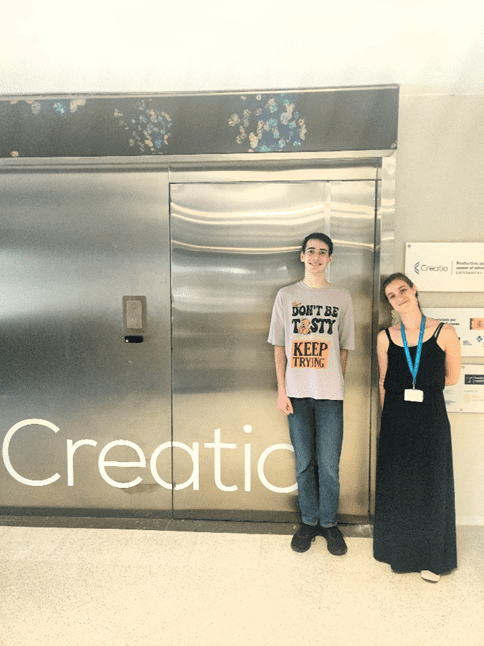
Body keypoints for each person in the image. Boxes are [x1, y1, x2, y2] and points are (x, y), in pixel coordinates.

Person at [268, 233, 355, 555]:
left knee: (329, 466)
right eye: (311, 251)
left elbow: (343, 347)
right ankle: (308, 521)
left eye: (323, 252)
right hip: (297, 395)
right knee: (304, 463)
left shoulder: (342, 297)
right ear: (302, 256)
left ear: (329, 258)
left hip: (331, 397)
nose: (316, 257)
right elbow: (279, 346)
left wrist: (336, 383)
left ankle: (329, 523)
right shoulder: (286, 295)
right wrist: (282, 390)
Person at [373, 272, 461, 583]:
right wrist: (387, 420)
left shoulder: (445, 332)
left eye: (402, 290)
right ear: (390, 304)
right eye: (392, 296)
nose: (399, 298)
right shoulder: (385, 337)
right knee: (401, 483)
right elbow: (384, 381)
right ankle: (400, 551)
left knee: (431, 483)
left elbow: (452, 377)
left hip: (430, 417)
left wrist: (423, 384)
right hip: (396, 418)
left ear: (414, 290)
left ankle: (432, 558)